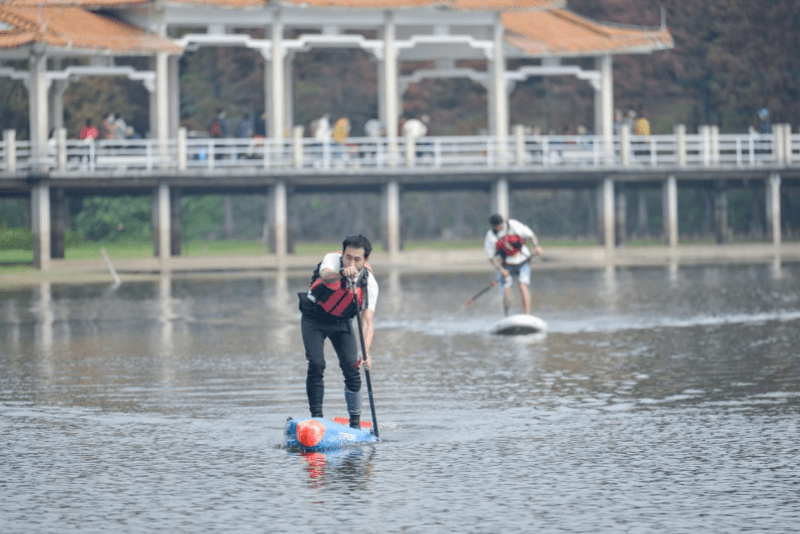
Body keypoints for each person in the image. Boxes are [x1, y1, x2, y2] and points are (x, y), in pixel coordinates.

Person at [297, 235, 379, 429]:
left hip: (341, 322)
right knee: (316, 364)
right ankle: (317, 419)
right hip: (314, 318)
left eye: (357, 259)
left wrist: (366, 351)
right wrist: (343, 272)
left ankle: (355, 424)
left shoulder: (370, 284)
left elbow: (367, 322)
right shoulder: (332, 261)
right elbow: (325, 276)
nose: (351, 262)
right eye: (348, 257)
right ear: (342, 254)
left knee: (352, 367)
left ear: (366, 260)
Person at [483, 214, 543, 316]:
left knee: (522, 285)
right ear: (493, 226)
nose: (499, 227)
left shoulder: (513, 225)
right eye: (497, 226)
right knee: (506, 291)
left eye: (500, 225)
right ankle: (508, 316)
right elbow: (491, 258)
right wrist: (501, 269)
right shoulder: (490, 236)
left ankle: (527, 315)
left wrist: (536, 246)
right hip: (506, 265)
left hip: (523, 261)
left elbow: (530, 235)